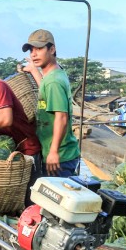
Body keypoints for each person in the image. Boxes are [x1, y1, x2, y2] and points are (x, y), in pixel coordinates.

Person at [21, 29, 80, 177]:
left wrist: (53, 152)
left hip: (60, 156)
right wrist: (34, 70)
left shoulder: (53, 81)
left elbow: (62, 117)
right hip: (58, 153)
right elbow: (45, 89)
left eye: (39, 49)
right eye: (31, 50)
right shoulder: (54, 74)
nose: (33, 54)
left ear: (52, 49)